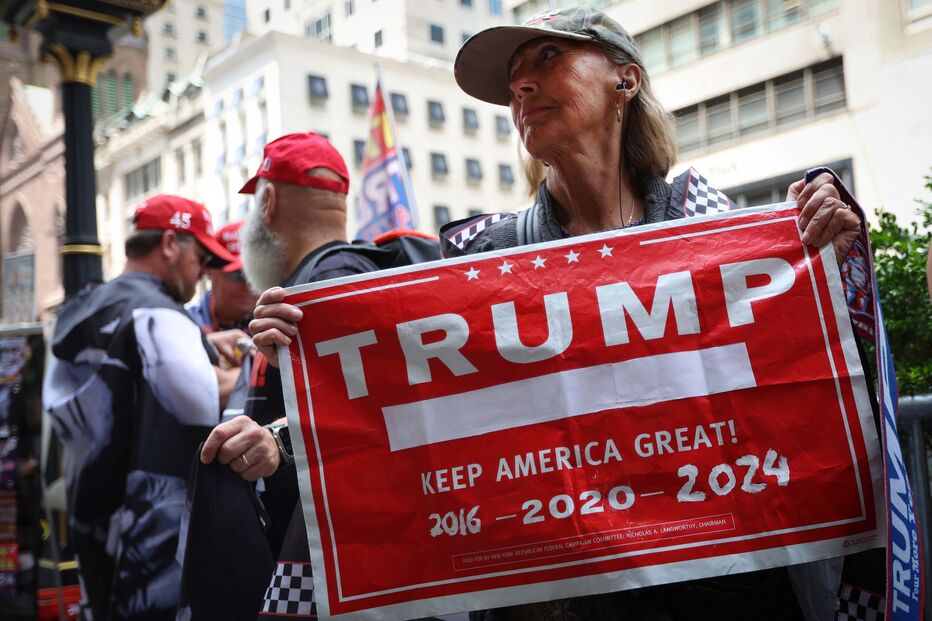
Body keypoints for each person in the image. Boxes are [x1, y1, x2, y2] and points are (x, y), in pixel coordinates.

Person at [247, 7, 874, 621]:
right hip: (555, 599)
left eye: (549, 56)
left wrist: (833, 259)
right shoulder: (481, 258)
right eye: (514, 77)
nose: (522, 85)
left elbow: (809, 388)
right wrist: (286, 426)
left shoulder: (712, 227)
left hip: (725, 586)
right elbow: (416, 417)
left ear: (625, 80)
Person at [198, 132, 380, 618]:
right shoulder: (334, 280)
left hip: (330, 574)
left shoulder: (323, 287)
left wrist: (275, 445)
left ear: (269, 201)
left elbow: (365, 425)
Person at [42, 195, 235, 620]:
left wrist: (198, 341)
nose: (203, 270)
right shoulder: (159, 316)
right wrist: (260, 365)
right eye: (200, 256)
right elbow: (203, 393)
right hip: (151, 556)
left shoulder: (83, 309)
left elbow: (127, 376)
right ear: (170, 243)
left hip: (93, 523)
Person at [187, 221, 257, 334]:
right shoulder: (185, 324)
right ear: (209, 270)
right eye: (238, 275)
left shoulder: (278, 326)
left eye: (256, 275)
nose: (249, 285)